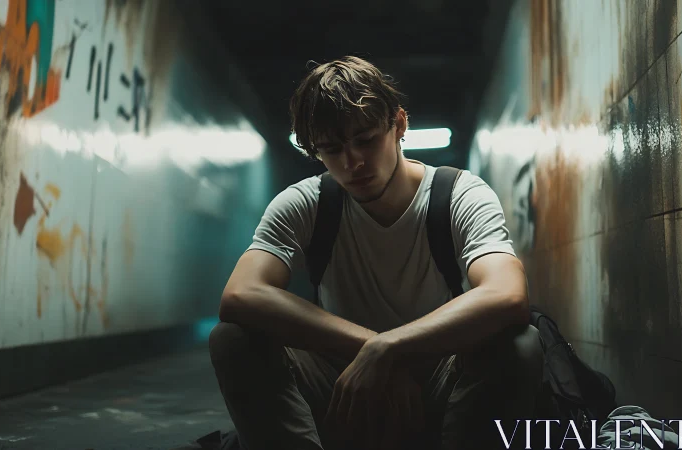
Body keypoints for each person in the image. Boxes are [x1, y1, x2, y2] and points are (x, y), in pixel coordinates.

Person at [208, 56, 544, 450]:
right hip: (344, 392)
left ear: (399, 124)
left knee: (520, 343)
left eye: (366, 139)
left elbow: (507, 295)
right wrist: (370, 348)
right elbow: (240, 295)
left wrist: (390, 348)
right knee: (233, 339)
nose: (352, 163)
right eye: (331, 149)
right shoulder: (305, 203)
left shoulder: (459, 194)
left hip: (435, 392)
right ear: (314, 151)